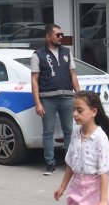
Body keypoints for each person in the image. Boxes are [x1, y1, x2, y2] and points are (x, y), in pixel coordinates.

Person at [31, 23, 80, 175]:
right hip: (48, 99)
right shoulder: (38, 55)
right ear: (48, 37)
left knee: (69, 131)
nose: (61, 37)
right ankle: (50, 163)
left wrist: (79, 95)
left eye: (61, 35)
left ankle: (69, 164)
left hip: (67, 97)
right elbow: (34, 79)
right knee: (48, 132)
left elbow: (72, 74)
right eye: (57, 35)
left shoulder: (67, 52)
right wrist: (37, 102)